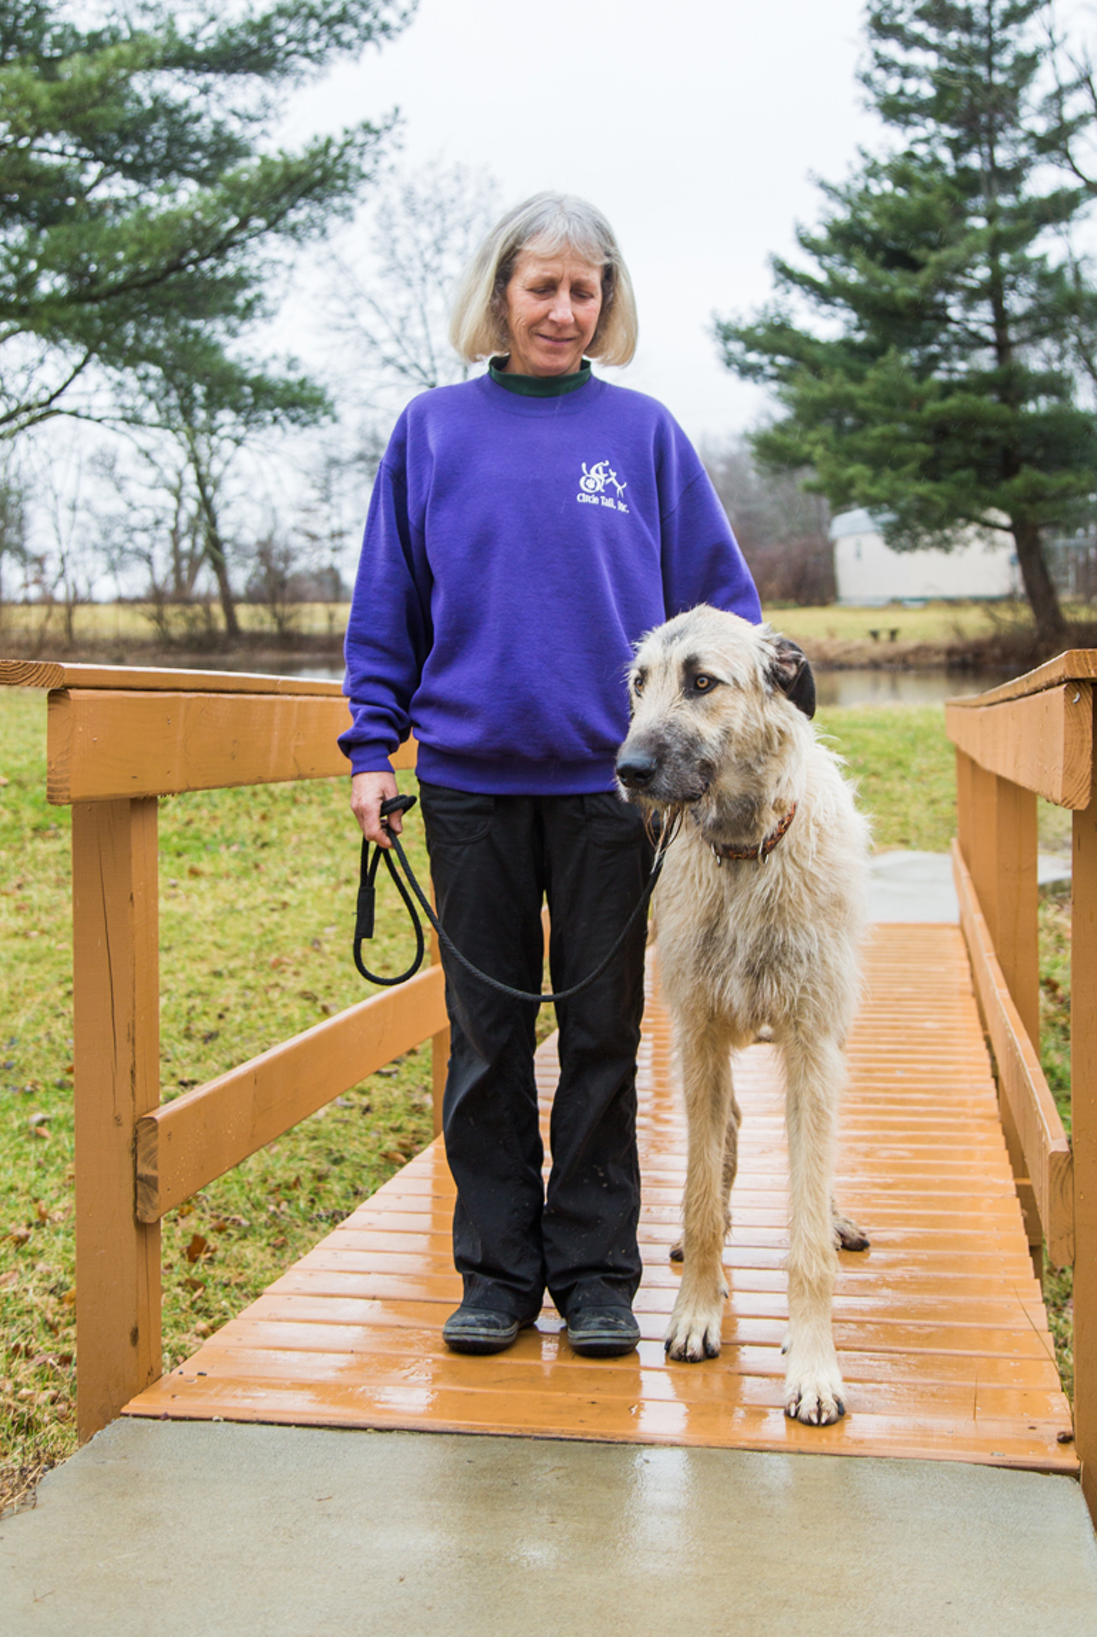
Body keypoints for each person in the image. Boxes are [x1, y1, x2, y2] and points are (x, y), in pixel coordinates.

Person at [340, 192, 761, 1360]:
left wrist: (714, 749)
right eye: (543, 289)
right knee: (482, 1040)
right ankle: (493, 1274)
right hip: (470, 784)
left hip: (611, 792)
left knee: (600, 1036)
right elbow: (387, 609)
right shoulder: (430, 429)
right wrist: (372, 751)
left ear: (606, 302)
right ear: (500, 293)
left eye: (585, 291)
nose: (564, 311)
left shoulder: (645, 436)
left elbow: (725, 612)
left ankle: (591, 1278)